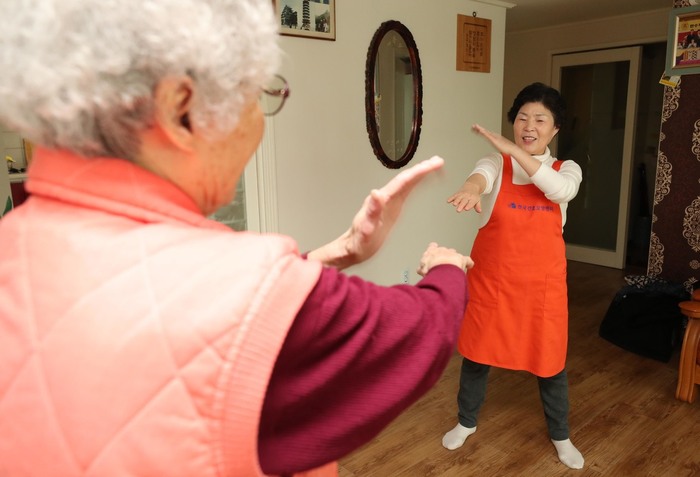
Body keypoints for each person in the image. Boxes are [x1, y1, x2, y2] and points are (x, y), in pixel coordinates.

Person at [0, 1, 474, 476]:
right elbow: (420, 333)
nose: (257, 124)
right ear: (181, 109)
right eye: (259, 95)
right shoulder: (242, 291)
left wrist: (339, 252)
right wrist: (447, 266)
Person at [442, 82, 585, 470]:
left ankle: (561, 435)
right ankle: (465, 421)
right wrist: (471, 187)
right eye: (522, 117)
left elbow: (560, 192)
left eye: (540, 119)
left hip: (542, 291)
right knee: (476, 356)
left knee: (550, 364)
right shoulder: (496, 161)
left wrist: (517, 153)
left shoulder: (566, 170)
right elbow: (480, 176)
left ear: (555, 130)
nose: (529, 125)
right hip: (493, 285)